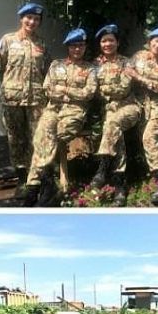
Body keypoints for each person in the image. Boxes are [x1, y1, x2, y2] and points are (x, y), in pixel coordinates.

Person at [23, 27, 98, 207]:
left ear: (85, 47)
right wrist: (67, 94)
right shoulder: (56, 65)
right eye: (73, 46)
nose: (77, 49)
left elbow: (89, 92)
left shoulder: (90, 69)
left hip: (74, 113)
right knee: (42, 134)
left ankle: (38, 185)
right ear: (68, 47)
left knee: (48, 139)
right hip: (53, 109)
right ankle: (40, 187)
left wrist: (65, 91)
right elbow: (47, 88)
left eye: (80, 45)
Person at [0, 2, 50, 192]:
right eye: (29, 18)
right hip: (13, 99)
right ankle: (21, 178)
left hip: (36, 99)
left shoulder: (41, 44)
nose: (32, 22)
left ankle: (35, 178)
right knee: (16, 139)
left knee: (38, 137)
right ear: (21, 19)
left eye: (36, 19)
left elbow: (46, 71)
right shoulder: (8, 40)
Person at [125, 27, 158, 205]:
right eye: (157, 41)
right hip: (139, 106)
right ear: (150, 41)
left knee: (149, 139)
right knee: (146, 141)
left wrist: (140, 78)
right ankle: (153, 172)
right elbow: (127, 71)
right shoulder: (139, 56)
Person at [91, 24, 140, 206]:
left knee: (113, 124)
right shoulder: (95, 65)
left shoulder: (127, 63)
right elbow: (91, 90)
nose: (107, 44)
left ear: (117, 43)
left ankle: (103, 168)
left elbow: (122, 89)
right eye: (104, 41)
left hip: (129, 107)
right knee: (113, 129)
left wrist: (105, 91)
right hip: (109, 112)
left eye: (111, 40)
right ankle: (120, 186)